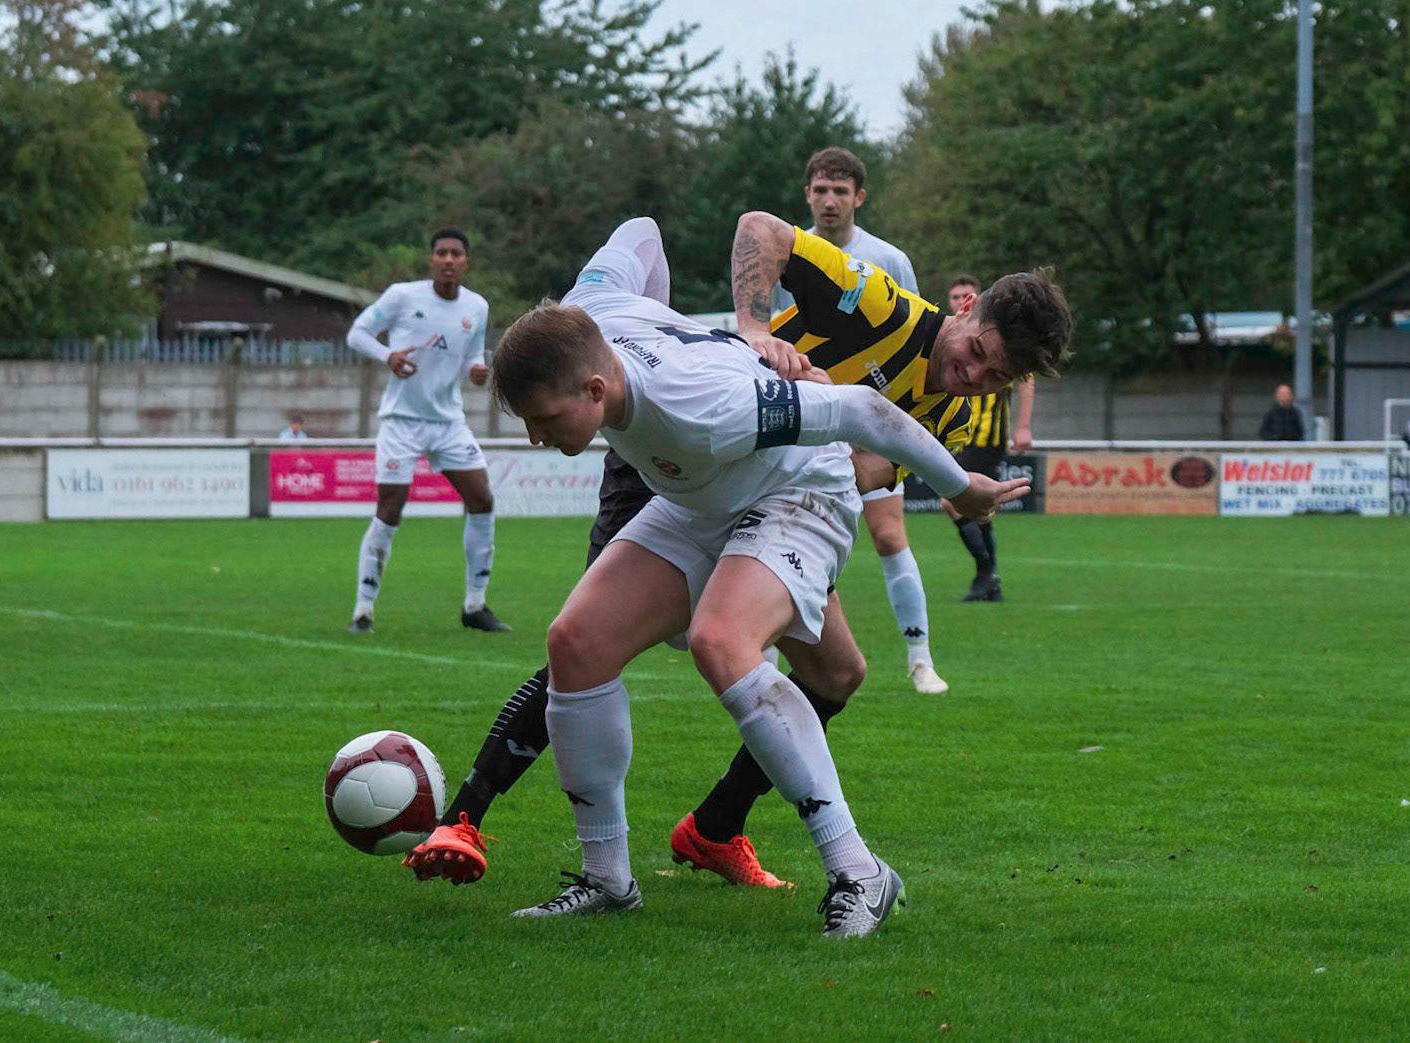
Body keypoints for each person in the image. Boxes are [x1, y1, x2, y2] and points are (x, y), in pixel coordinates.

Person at [404, 211, 1069, 901]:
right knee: (584, 642)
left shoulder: (941, 416)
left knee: (753, 650)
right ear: (966, 310)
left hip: (783, 481)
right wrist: (748, 332)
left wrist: (936, 476)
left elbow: (864, 453)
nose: (977, 373)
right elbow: (748, 228)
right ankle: (554, 849)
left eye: (999, 375)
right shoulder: (876, 304)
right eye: (979, 349)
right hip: (692, 461)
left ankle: (819, 858)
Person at [772, 147, 946, 694]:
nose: (829, 201)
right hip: (801, 427)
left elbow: (917, 345)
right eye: (820, 190)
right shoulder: (785, 253)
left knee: (890, 535)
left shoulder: (889, 260)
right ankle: (767, 666)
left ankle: (920, 659)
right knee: (777, 540)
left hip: (867, 427)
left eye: (840, 192)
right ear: (807, 194)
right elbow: (769, 339)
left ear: (859, 198)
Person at [343, 228, 509, 634]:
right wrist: (388, 355)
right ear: (431, 260)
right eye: (442, 253)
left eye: (456, 253)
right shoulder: (403, 296)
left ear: (466, 262)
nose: (449, 259)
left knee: (483, 500)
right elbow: (357, 334)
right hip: (401, 422)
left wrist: (476, 370)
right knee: (390, 509)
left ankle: (475, 605)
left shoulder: (477, 306)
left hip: (448, 421)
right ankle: (363, 610)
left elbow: (472, 357)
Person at [937, 274, 1037, 602]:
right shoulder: (952, 338)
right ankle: (988, 579)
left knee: (951, 500)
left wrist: (1023, 426)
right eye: (953, 296)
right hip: (961, 436)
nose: (958, 300)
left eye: (964, 294)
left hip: (987, 437)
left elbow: (1026, 379)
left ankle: (986, 573)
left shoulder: (994, 340)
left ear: (976, 298)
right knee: (977, 508)